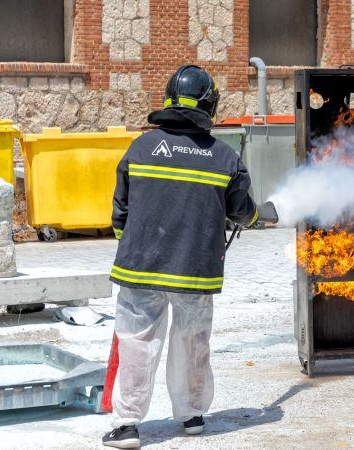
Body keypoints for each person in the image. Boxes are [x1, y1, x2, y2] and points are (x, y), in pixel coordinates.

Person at [102, 65, 261, 448]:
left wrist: (136, 244)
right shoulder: (223, 157)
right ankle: (191, 416)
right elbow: (243, 212)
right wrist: (260, 214)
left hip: (141, 265)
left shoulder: (141, 147)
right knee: (192, 341)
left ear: (168, 101)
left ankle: (127, 425)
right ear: (210, 105)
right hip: (194, 270)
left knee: (137, 340)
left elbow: (120, 212)